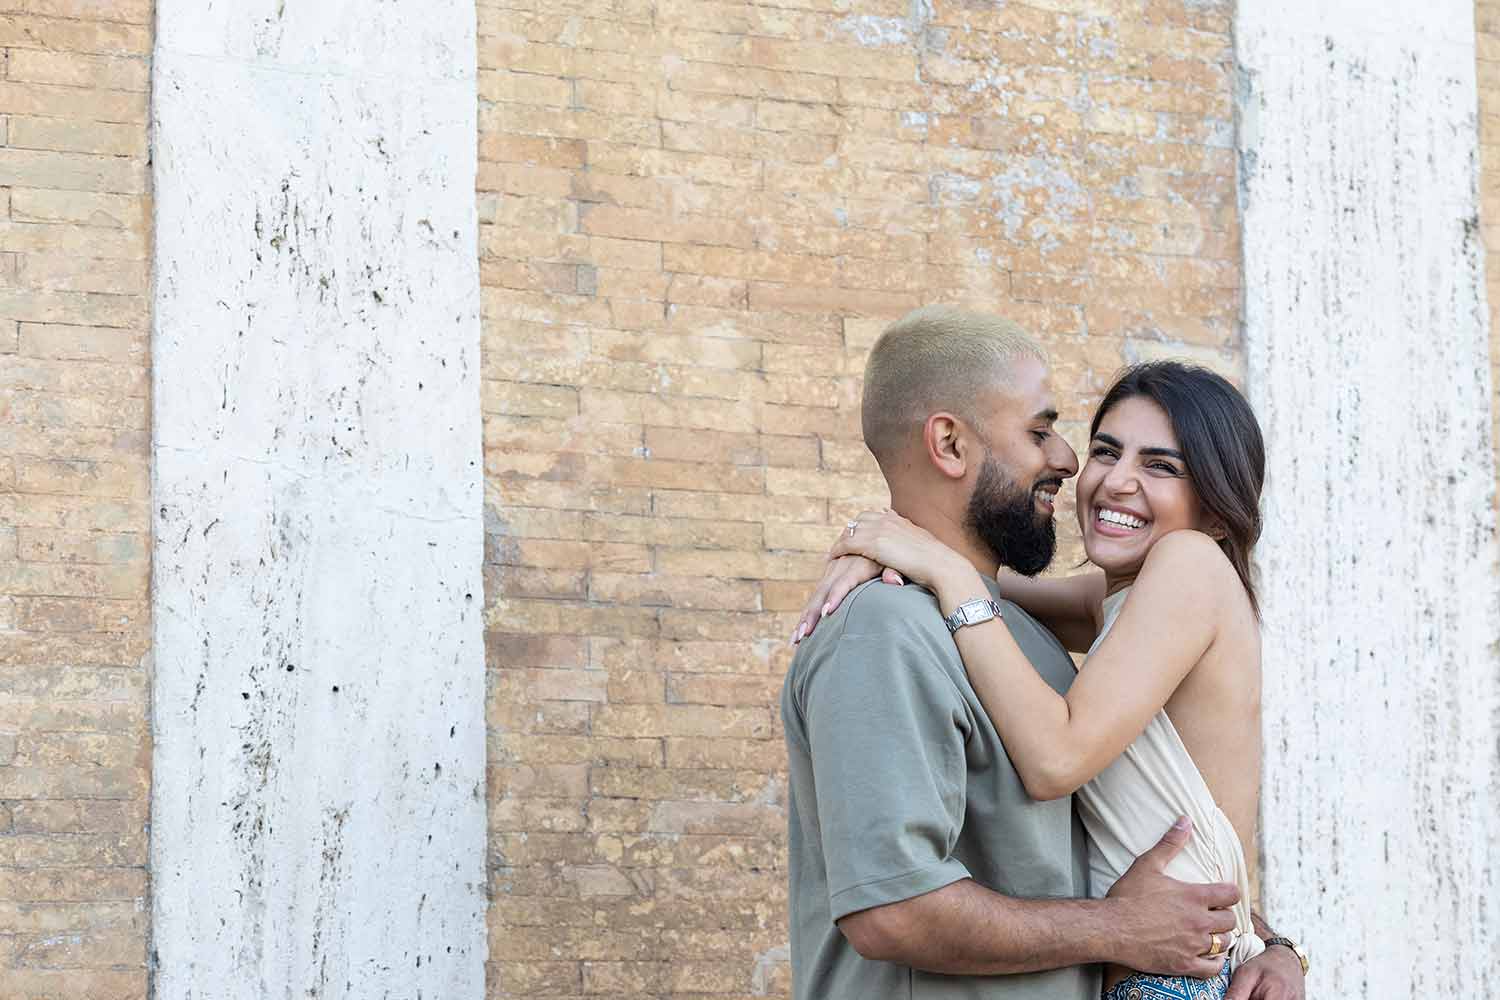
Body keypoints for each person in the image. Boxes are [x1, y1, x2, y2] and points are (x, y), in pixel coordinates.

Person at [781, 306, 1308, 1000]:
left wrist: (1268, 943)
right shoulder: (904, 626)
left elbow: (1071, 774)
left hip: (1172, 980)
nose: (1085, 469)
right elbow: (892, 912)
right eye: (1099, 448)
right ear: (949, 442)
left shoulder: (1177, 570)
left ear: (1214, 512)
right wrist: (878, 544)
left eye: (1160, 466)